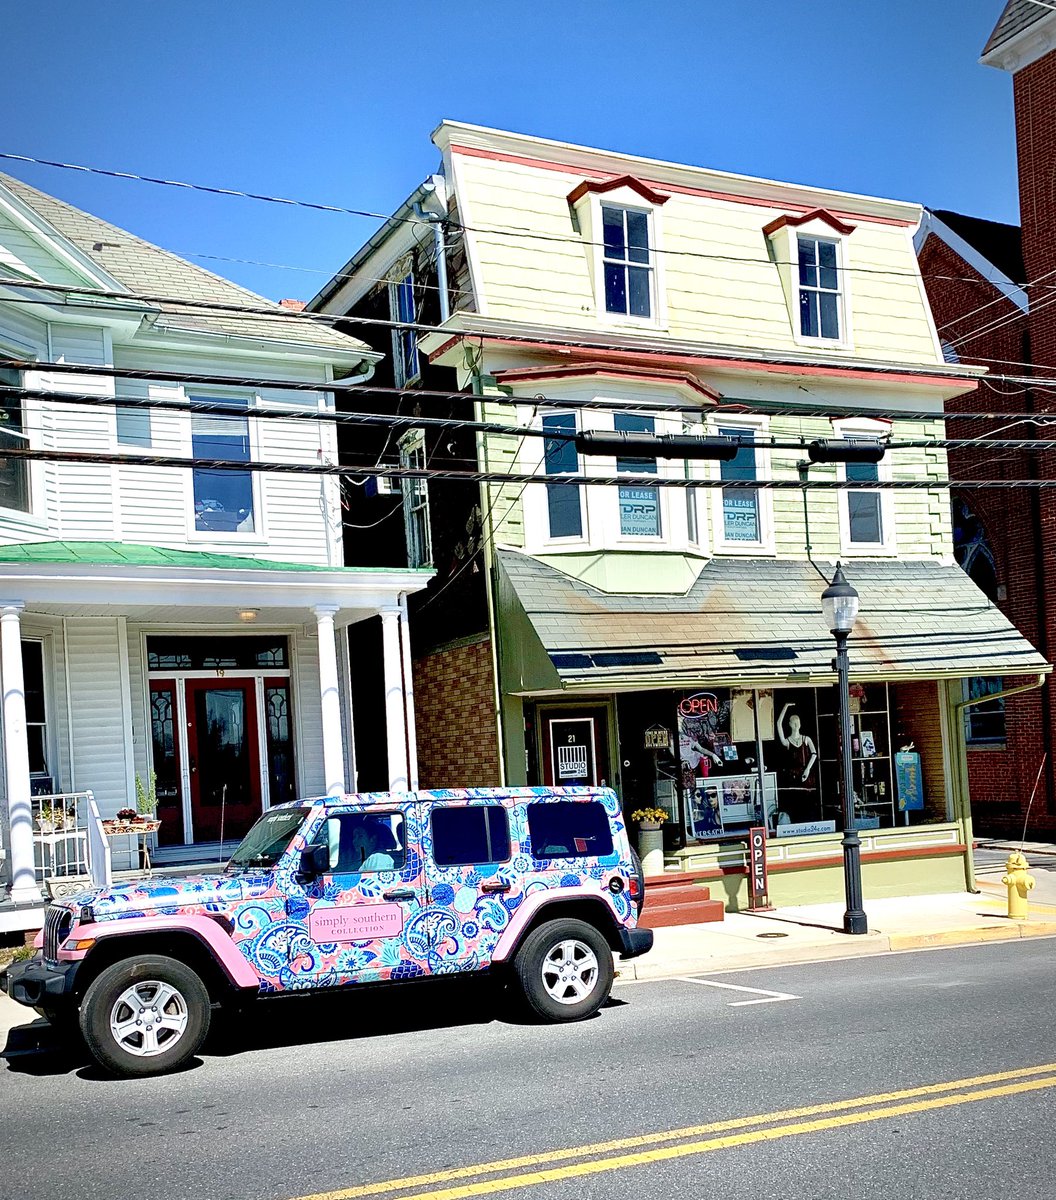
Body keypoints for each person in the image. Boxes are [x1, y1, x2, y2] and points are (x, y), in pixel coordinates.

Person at [776, 703, 819, 823]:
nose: (795, 725)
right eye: (794, 723)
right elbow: (778, 724)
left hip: (805, 776)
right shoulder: (788, 741)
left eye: (796, 722)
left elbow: (814, 754)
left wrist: (807, 769)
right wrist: (785, 707)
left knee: (807, 801)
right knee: (795, 801)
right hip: (793, 777)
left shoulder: (806, 739)